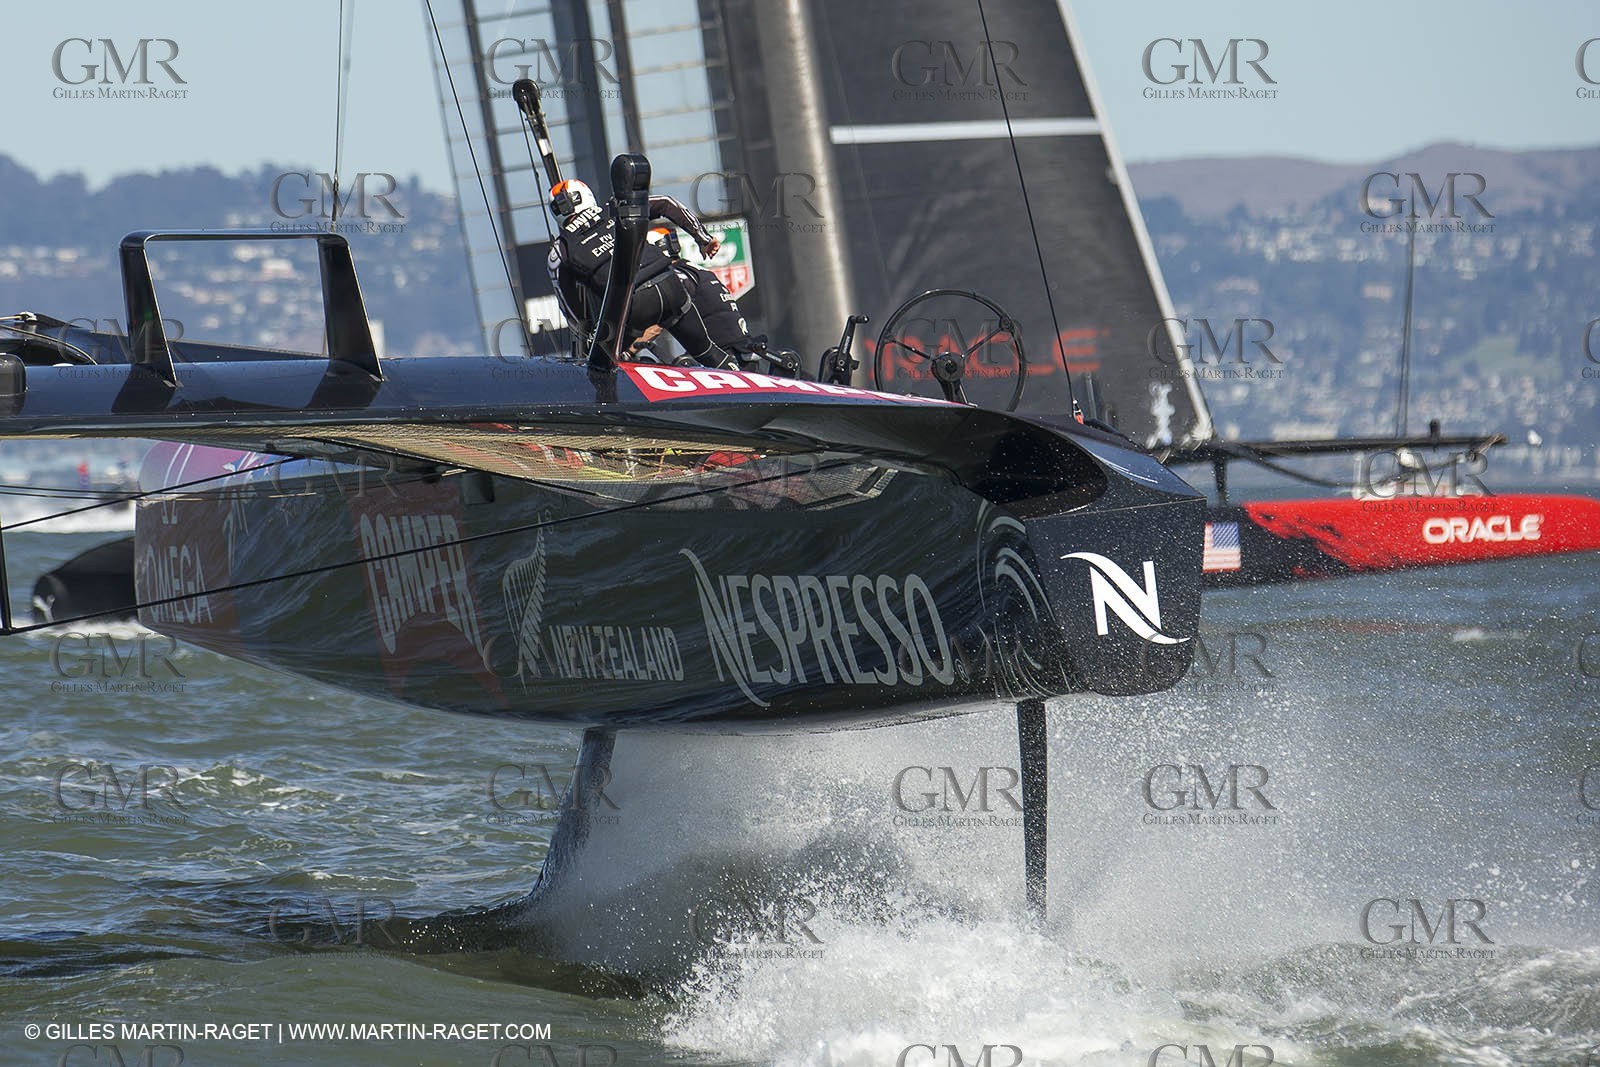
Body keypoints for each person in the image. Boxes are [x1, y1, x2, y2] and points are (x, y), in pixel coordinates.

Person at [546, 179, 733, 366]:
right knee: (709, 354)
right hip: (671, 284)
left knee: (602, 366)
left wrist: (591, 338)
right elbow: (666, 203)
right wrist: (703, 238)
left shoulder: (560, 250)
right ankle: (748, 384)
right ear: (587, 196)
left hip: (633, 305)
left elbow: (570, 308)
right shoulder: (615, 207)